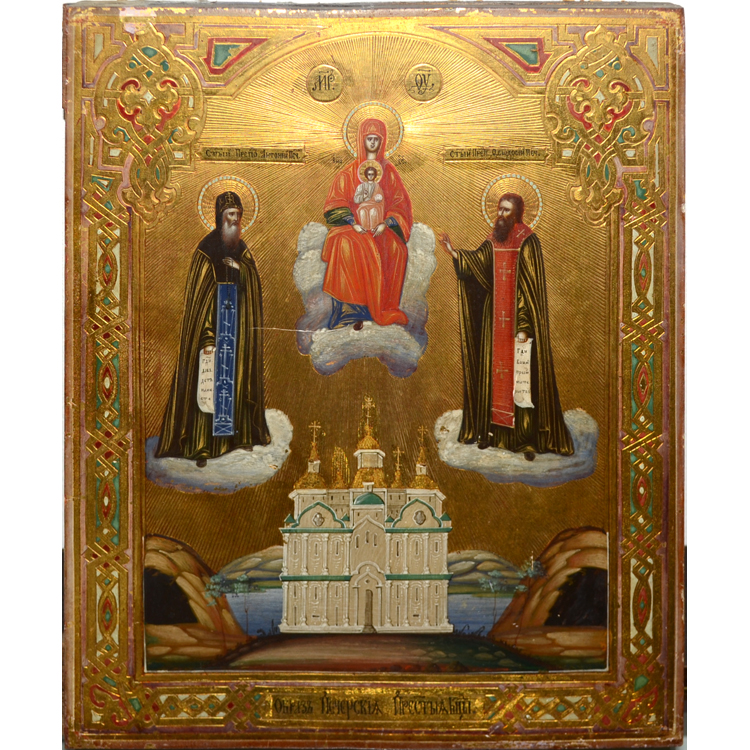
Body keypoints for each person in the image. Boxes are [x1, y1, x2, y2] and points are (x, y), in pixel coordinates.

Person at [440, 193, 573, 461]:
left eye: (506, 210)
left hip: (519, 325)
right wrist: (455, 253)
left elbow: (529, 288)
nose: (500, 214)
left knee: (522, 382)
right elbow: (478, 264)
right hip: (494, 325)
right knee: (493, 376)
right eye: (499, 209)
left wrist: (523, 324)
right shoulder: (494, 239)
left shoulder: (528, 241)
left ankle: (525, 441)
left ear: (517, 214)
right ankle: (491, 435)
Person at [156, 191, 270, 467]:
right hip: (211, 332)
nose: (235, 220)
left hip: (236, 333)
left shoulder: (241, 249)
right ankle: (201, 446)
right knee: (206, 387)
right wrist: (207, 336)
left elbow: (253, 287)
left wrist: (241, 269)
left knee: (236, 380)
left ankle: (237, 439)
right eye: (230, 214)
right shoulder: (206, 249)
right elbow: (201, 300)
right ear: (220, 217)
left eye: (238, 215)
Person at [321, 118, 413, 330]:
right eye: (368, 138)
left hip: (380, 227)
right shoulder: (348, 173)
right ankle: (350, 311)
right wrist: (353, 223)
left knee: (396, 248)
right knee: (346, 243)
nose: (372, 142)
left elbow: (399, 204)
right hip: (352, 227)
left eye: (376, 139)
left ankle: (378, 307)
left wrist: (386, 223)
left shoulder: (389, 172)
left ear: (383, 141)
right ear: (361, 140)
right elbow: (335, 203)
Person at [353, 162, 385, 230]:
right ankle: (365, 230)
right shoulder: (361, 186)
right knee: (362, 212)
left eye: (372, 174)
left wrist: (378, 199)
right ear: (366, 175)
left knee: (373, 211)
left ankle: (373, 229)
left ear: (375, 175)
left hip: (375, 205)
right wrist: (363, 196)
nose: (370, 176)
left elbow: (381, 199)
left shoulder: (377, 187)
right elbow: (356, 199)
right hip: (364, 205)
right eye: (369, 174)